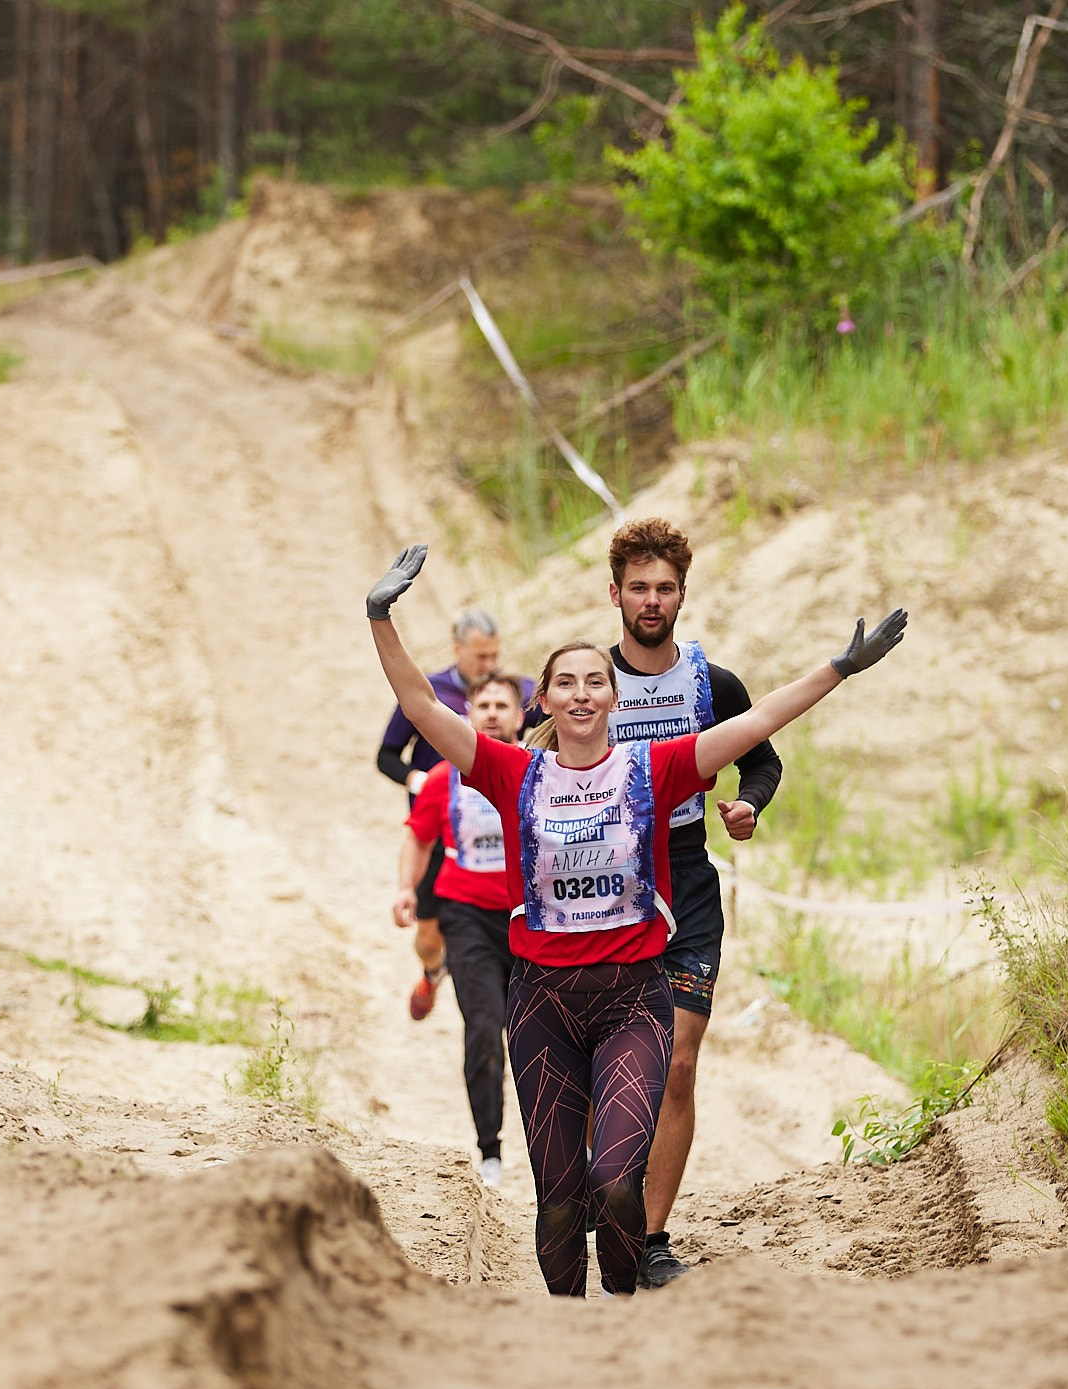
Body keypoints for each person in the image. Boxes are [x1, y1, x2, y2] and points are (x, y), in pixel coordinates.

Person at [365, 542, 906, 1296]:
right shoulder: (511, 770)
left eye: (596, 682)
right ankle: (574, 1344)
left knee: (617, 1185)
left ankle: (626, 1314)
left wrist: (838, 670)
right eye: (566, 683)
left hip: (631, 996)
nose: (582, 694)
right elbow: (423, 707)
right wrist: (379, 615)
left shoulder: (655, 767)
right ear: (543, 700)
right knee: (559, 1209)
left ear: (613, 698)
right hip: (543, 1001)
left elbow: (759, 725)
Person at [600, 518, 786, 1290]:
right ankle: (605, 1194)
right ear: (614, 593)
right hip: (607, 878)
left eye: (664, 587)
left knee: (676, 1065)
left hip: (688, 878)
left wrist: (749, 805)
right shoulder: (587, 681)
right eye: (638, 587)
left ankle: (650, 1239)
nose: (652, 600)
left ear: (682, 592)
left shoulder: (714, 685)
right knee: (613, 1065)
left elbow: (763, 760)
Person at [394, 670, 526, 1187]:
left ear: (521, 717)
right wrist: (407, 888)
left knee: (542, 1036)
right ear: (468, 715)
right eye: (483, 705)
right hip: (467, 915)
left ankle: (564, 1151)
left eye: (502, 705)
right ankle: (489, 1151)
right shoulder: (447, 777)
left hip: (532, 920)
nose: (492, 713)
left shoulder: (542, 771)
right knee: (485, 1029)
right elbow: (418, 837)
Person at [375, 606, 530, 1022]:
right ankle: (431, 971)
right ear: (457, 649)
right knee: (428, 933)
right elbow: (386, 756)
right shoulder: (429, 692)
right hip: (437, 824)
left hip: (491, 831)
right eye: (480, 657)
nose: (488, 665)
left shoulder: (514, 693)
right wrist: (419, 781)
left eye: (494, 656)